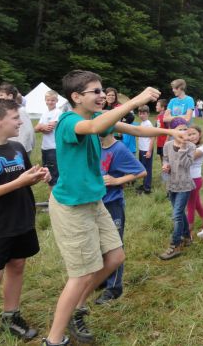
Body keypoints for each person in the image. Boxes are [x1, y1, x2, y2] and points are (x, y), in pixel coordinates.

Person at [42, 70, 185, 346]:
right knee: (81, 273)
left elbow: (135, 129)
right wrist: (133, 102)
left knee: (115, 256)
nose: (100, 95)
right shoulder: (69, 122)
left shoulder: (96, 118)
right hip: (72, 206)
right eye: (94, 92)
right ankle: (54, 339)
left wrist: (169, 131)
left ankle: (78, 308)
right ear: (75, 96)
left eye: (101, 90)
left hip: (93, 201)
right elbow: (93, 129)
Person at [0, 98, 51, 345]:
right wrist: (19, 182)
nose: (21, 121)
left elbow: (24, 177)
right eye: (15, 118)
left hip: (22, 218)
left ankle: (10, 317)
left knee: (17, 266)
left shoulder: (16, 148)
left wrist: (37, 176)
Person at [95, 131, 147, 305]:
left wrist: (117, 181)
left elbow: (141, 171)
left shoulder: (119, 148)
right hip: (96, 204)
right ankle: (102, 278)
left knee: (114, 245)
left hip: (113, 204)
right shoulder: (95, 146)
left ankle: (114, 288)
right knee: (99, 244)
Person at [159, 118, 196, 260]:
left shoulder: (191, 147)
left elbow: (186, 164)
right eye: (179, 129)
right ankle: (187, 236)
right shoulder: (167, 145)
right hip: (171, 184)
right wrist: (165, 166)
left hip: (184, 185)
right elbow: (166, 159)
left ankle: (176, 244)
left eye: (185, 129)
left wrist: (182, 148)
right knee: (179, 213)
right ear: (173, 131)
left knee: (176, 215)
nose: (183, 132)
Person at [0, 84, 35, 156]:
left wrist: (21, 149)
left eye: (1, 95)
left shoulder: (20, 111)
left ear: (10, 96)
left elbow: (28, 131)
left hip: (20, 150)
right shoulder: (5, 111)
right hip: (10, 147)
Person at [34, 90, 62, 188]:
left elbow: (49, 129)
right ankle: (51, 198)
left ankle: (54, 200)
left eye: (52, 100)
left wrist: (41, 126)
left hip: (53, 147)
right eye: (48, 100)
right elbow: (36, 129)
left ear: (57, 101)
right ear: (45, 100)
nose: (50, 102)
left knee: (54, 175)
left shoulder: (58, 112)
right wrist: (41, 127)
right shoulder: (45, 112)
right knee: (47, 174)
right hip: (45, 147)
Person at [135, 105, 154, 195]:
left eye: (144, 113)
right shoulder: (142, 123)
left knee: (147, 169)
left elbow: (152, 138)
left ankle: (147, 188)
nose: (141, 115)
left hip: (146, 150)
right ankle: (144, 184)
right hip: (142, 149)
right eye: (140, 113)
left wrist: (149, 151)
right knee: (143, 168)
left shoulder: (148, 124)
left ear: (148, 114)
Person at [155, 99, 168, 163]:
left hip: (165, 142)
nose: (156, 106)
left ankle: (167, 172)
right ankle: (164, 171)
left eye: (157, 105)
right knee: (161, 159)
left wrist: (166, 141)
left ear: (162, 108)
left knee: (166, 159)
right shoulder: (158, 116)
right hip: (159, 142)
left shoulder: (165, 117)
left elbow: (169, 130)